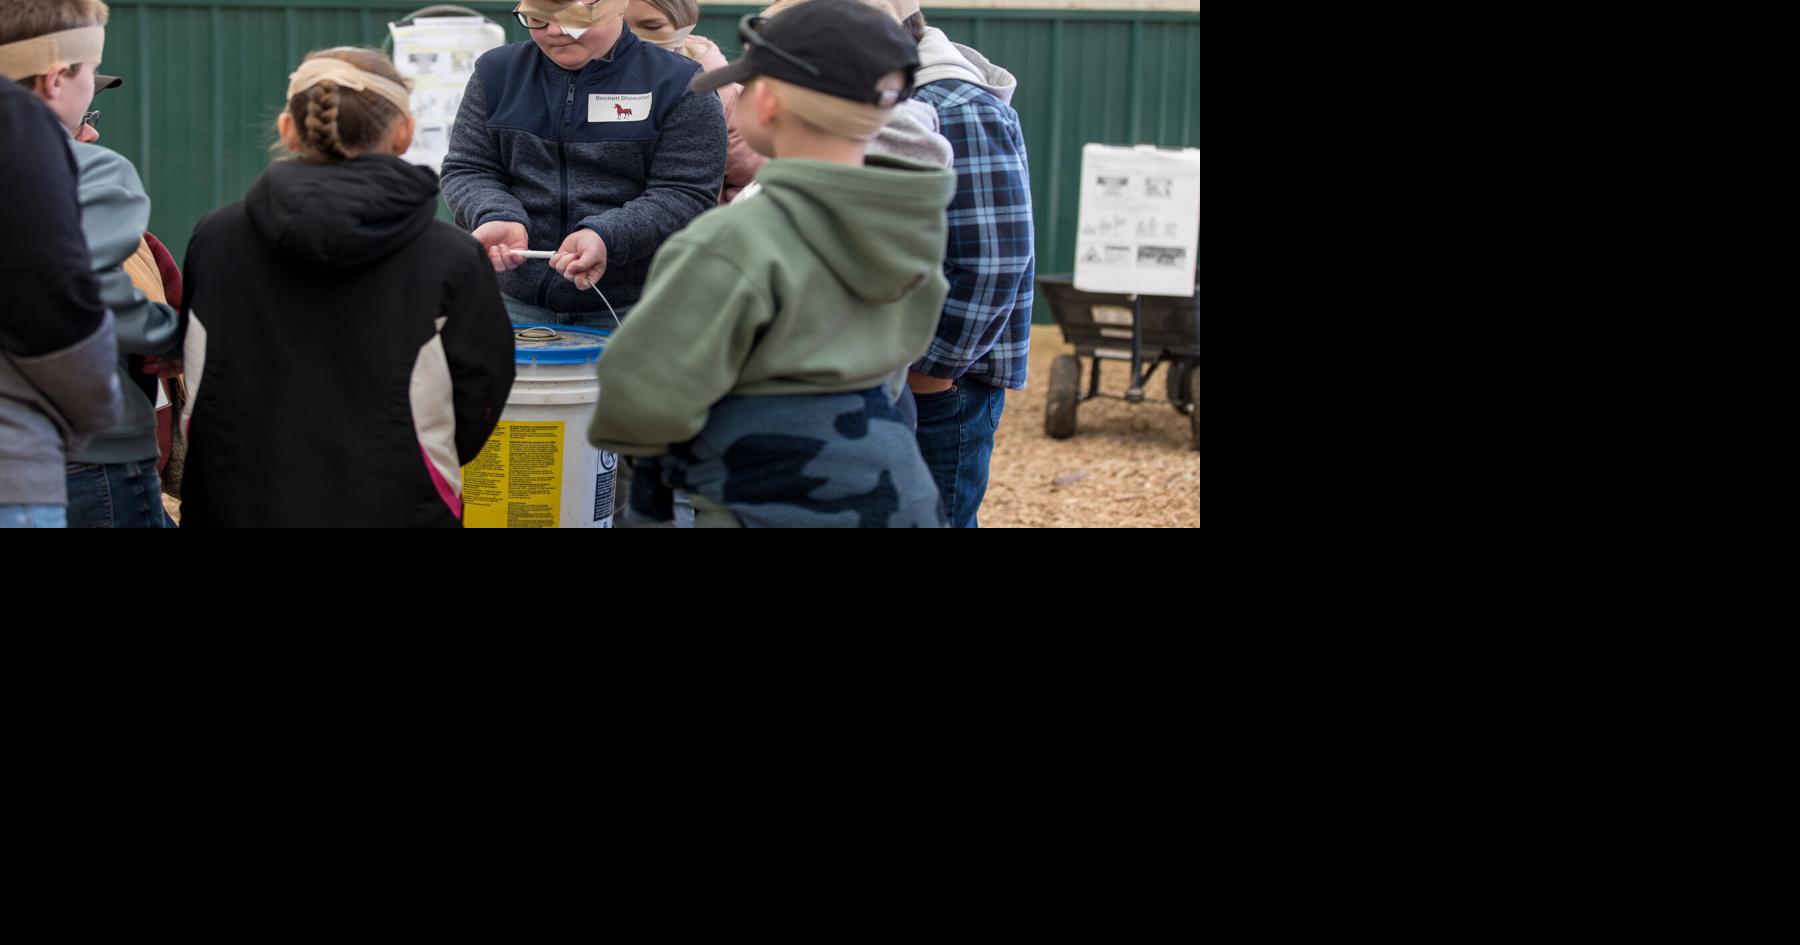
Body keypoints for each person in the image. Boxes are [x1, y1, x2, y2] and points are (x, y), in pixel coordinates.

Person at [588, 0, 953, 527]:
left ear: (769, 103)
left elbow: (642, 399)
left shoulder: (736, 239)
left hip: (765, 500)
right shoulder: (911, 224)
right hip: (896, 492)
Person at [176, 47, 515, 527]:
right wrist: (417, 461)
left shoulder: (215, 237)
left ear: (287, 129)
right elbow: (482, 390)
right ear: (404, 133)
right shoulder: (451, 256)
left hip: (236, 499)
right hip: (399, 502)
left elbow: (198, 368)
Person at [441, 0, 726, 328]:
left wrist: (607, 235)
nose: (556, 32)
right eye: (537, 18)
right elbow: (468, 167)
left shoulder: (680, 83)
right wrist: (494, 213)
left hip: (637, 308)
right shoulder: (496, 73)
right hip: (512, 303)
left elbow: (686, 192)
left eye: (575, 19)